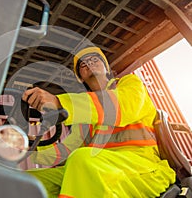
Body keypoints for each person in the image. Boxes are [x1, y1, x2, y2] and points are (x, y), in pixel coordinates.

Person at [22, 46, 176, 198]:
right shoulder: (86, 116)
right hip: (96, 165)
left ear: (106, 68)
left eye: (95, 59)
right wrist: (29, 146)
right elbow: (67, 149)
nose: (89, 63)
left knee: (82, 159)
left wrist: (61, 102)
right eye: (83, 64)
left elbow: (123, 106)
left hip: (142, 167)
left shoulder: (129, 84)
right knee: (28, 182)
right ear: (80, 77)